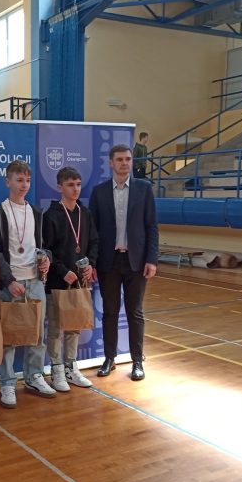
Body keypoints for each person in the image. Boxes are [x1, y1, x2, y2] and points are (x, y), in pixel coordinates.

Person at [89, 144, 159, 381]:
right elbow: (92, 231)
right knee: (110, 312)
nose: (125, 163)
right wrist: (92, 262)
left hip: (136, 261)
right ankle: (109, 358)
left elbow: (152, 226)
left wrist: (152, 259)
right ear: (111, 163)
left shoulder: (144, 189)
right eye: (119, 159)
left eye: (128, 159)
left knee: (135, 312)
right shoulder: (99, 192)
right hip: (108, 262)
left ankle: (137, 361)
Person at [0, 160, 54, 408]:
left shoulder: (37, 212)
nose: (24, 185)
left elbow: (44, 245)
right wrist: (8, 280)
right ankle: (7, 382)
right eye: (19, 180)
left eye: (27, 180)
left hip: (35, 281)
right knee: (8, 336)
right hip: (10, 282)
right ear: (8, 182)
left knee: (37, 333)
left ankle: (34, 376)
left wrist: (46, 258)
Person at [42, 166, 98, 391]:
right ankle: (56, 370)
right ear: (60, 187)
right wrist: (62, 270)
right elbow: (45, 251)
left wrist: (90, 263)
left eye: (78, 184)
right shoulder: (51, 216)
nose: (75, 189)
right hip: (57, 282)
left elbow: (94, 242)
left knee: (74, 326)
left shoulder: (85, 213)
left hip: (79, 281)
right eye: (70, 185)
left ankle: (70, 367)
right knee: (56, 328)